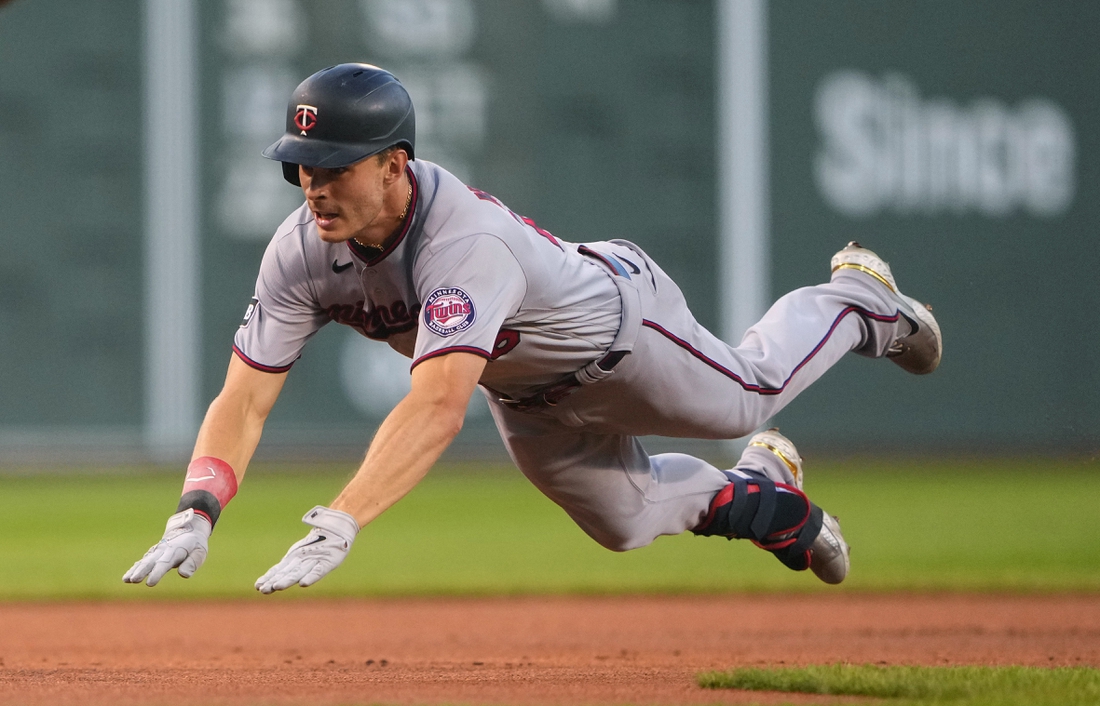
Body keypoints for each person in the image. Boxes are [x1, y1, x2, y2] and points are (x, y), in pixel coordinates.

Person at [124, 63, 941, 592]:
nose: (313, 185)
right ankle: (767, 492)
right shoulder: (300, 252)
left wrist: (344, 517)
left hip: (625, 331)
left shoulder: (462, 242)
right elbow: (246, 399)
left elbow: (438, 404)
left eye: (336, 165)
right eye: (303, 165)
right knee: (623, 525)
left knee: (746, 398)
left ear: (395, 165)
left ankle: (858, 300)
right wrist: (196, 510)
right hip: (527, 396)